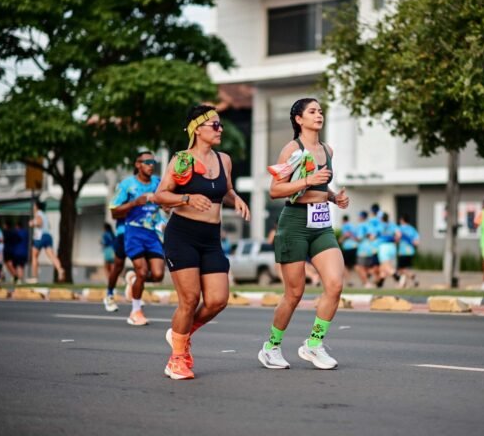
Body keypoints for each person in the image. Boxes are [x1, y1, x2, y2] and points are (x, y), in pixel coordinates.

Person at [154, 105, 250, 380]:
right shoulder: (182, 160)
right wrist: (186, 198)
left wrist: (236, 199)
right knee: (190, 299)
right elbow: (160, 195)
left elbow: (226, 189)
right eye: (215, 125)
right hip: (182, 235)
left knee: (218, 300)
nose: (221, 130)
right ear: (197, 129)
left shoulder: (224, 160)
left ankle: (180, 334)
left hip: (210, 238)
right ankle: (177, 359)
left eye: (221, 125)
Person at [258, 98, 349, 371]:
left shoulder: (327, 149)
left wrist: (334, 197)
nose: (318, 115)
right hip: (295, 223)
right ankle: (271, 347)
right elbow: (276, 190)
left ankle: (314, 344)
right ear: (299, 119)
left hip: (321, 224)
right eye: (312, 111)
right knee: (294, 293)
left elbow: (320, 188)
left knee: (335, 284)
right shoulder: (292, 149)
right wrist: (308, 180)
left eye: (320, 111)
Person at [110, 151, 165, 325]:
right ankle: (135, 311)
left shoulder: (158, 182)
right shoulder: (127, 185)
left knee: (158, 275)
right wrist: (134, 203)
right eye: (146, 162)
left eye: (153, 162)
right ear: (138, 164)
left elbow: (165, 201)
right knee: (142, 271)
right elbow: (113, 211)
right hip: (133, 232)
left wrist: (167, 207)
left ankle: (133, 280)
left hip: (152, 233)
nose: (150, 165)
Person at [29, 200, 65, 282]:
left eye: (34, 206)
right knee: (52, 256)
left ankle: (34, 277)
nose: (33, 207)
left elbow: (39, 223)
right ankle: (60, 269)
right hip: (48, 236)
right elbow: (48, 226)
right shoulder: (45, 215)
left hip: (40, 236)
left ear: (37, 206)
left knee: (34, 256)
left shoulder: (38, 213)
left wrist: (32, 223)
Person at [103, 220, 127, 312]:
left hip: (108, 250)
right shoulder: (112, 233)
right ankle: (113, 285)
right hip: (113, 248)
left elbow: (105, 242)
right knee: (116, 267)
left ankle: (109, 284)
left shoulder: (106, 234)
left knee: (109, 267)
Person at [396, 214, 420, 288]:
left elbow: (397, 238)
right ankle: (402, 284)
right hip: (410, 252)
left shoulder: (400, 228)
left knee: (400, 269)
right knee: (405, 268)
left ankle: (413, 277)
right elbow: (416, 242)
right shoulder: (412, 229)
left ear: (402, 220)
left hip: (403, 252)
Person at [339, 215, 360, 287]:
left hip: (348, 247)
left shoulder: (345, 226)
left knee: (344, 265)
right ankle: (350, 280)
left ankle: (349, 281)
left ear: (343, 220)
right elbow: (356, 236)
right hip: (354, 246)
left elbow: (347, 234)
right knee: (353, 265)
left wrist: (340, 240)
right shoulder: (353, 226)